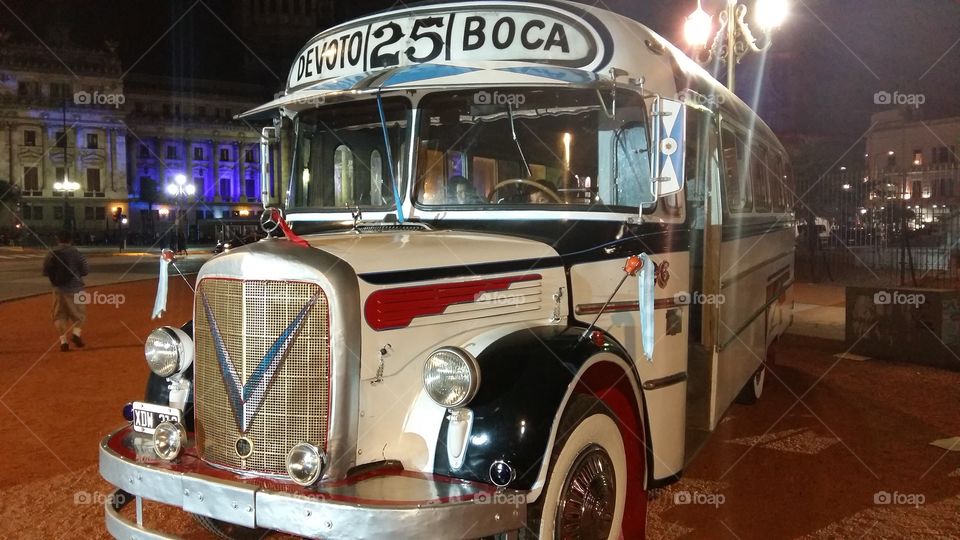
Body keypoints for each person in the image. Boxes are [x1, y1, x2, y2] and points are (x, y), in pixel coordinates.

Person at [42, 231, 90, 352]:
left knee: (59, 316)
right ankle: (76, 334)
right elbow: (85, 270)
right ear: (71, 240)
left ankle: (63, 342)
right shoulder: (76, 253)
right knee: (80, 314)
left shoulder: (51, 253)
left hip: (58, 289)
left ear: (57, 239)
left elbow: (45, 271)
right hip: (76, 288)